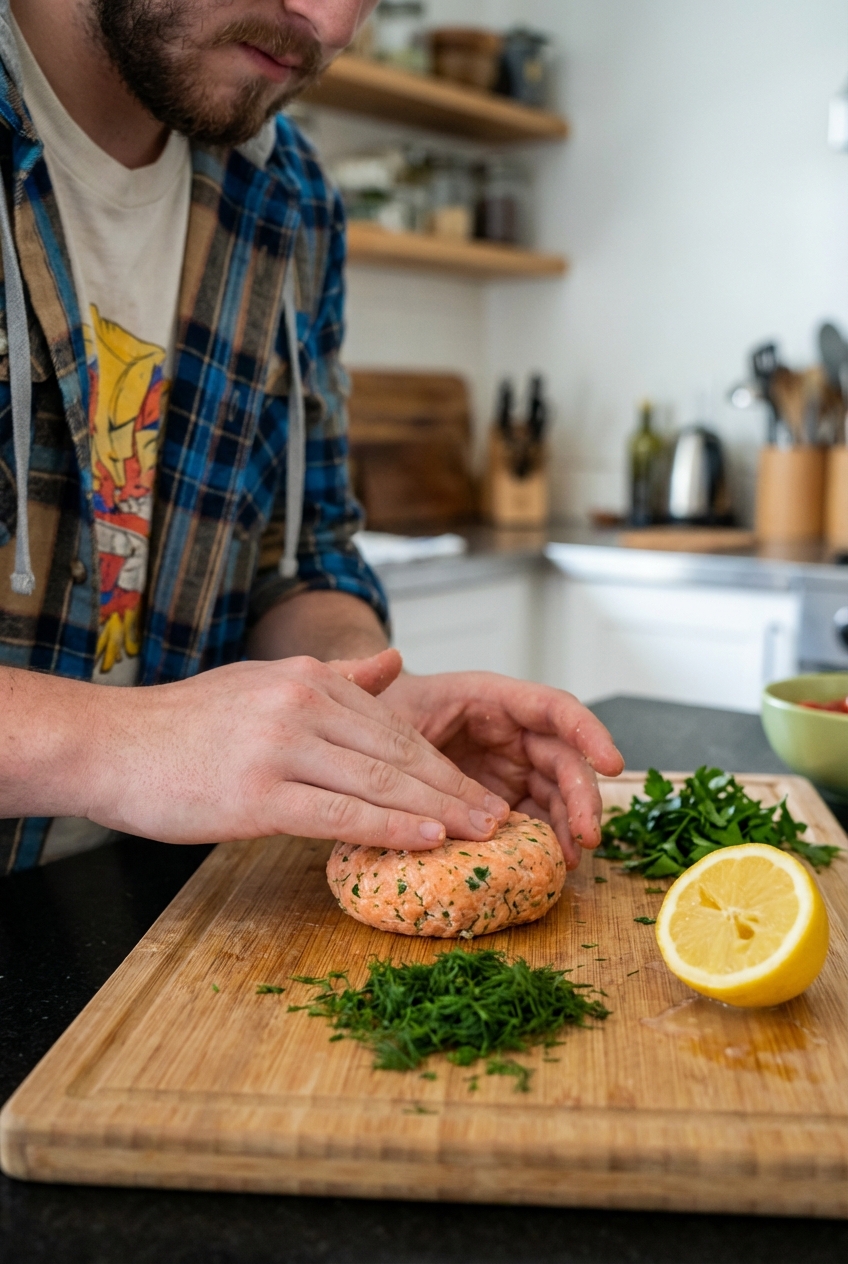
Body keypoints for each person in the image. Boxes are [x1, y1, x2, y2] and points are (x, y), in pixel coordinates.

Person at [0, 0, 623, 876]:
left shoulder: (288, 196)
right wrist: (119, 742)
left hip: (151, 920)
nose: (332, 23)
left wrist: (367, 699)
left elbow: (297, 559)